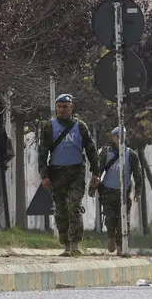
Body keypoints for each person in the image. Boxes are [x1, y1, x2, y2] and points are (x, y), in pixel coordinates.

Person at [37, 93, 100, 257]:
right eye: (59, 107)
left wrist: (96, 172)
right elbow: (42, 153)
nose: (61, 110)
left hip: (76, 171)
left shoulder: (80, 127)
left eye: (65, 106)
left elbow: (91, 150)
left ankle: (75, 244)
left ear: (71, 107)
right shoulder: (48, 127)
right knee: (60, 210)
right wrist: (44, 176)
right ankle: (65, 244)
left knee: (74, 205)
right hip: (56, 172)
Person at [97, 127, 142, 255]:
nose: (120, 139)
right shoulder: (106, 153)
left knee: (122, 221)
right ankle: (110, 236)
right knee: (110, 218)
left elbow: (137, 174)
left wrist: (137, 192)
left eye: (122, 136)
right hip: (108, 191)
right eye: (117, 136)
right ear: (113, 137)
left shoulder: (131, 154)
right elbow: (98, 171)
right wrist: (94, 185)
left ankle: (121, 246)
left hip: (124, 192)